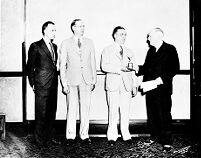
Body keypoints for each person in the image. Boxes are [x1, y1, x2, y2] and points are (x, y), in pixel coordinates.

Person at [138, 28, 180, 151]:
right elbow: (146, 68)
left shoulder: (170, 49)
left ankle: (167, 141)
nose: (148, 39)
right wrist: (136, 68)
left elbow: (174, 68)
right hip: (149, 88)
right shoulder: (150, 51)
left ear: (158, 37)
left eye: (149, 36)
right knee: (152, 115)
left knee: (164, 115)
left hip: (162, 89)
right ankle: (154, 137)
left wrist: (159, 80)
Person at [59, 19, 97, 145]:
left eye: (83, 26)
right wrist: (64, 83)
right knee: (72, 109)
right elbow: (62, 64)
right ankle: (70, 136)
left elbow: (93, 62)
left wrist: (93, 80)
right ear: (73, 28)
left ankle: (84, 135)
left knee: (85, 108)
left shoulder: (90, 42)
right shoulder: (65, 43)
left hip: (86, 80)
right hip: (71, 80)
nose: (82, 28)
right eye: (79, 26)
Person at [100, 26, 138, 146]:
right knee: (113, 111)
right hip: (113, 84)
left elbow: (133, 70)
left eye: (125, 34)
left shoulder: (129, 51)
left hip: (127, 84)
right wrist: (119, 69)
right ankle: (112, 136)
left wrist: (134, 84)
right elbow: (104, 66)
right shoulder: (107, 50)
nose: (124, 37)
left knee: (125, 111)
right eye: (121, 34)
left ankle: (126, 134)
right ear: (115, 35)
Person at [26, 21, 60, 147]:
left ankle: (49, 137)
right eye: (52, 30)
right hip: (41, 84)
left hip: (53, 84)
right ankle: (39, 141)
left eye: (55, 30)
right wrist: (33, 84)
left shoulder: (54, 46)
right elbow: (29, 67)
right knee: (41, 113)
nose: (54, 33)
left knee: (51, 112)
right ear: (45, 30)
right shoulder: (35, 46)